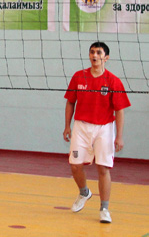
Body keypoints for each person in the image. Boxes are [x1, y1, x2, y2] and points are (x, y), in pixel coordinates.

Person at [63, 42, 130, 224]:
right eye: (92, 52)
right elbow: (70, 102)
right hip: (81, 127)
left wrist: (119, 136)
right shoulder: (79, 76)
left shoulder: (113, 81)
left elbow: (120, 110)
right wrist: (67, 126)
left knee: (103, 168)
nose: (94, 55)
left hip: (104, 128)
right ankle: (84, 192)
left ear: (106, 57)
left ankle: (104, 209)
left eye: (99, 53)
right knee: (75, 165)